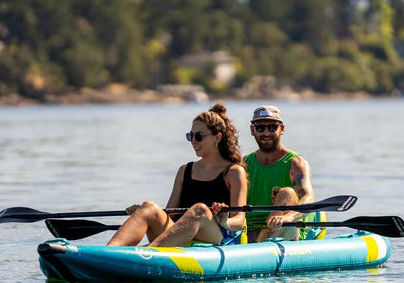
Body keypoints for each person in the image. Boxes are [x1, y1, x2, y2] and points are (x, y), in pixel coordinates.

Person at [106, 103, 248, 247]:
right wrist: (141, 212)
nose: (193, 141)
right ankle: (108, 253)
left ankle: (149, 254)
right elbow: (170, 216)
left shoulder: (234, 172)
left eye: (198, 136)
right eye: (190, 136)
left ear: (217, 138)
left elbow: (239, 221)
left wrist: (224, 220)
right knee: (148, 207)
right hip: (183, 235)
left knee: (200, 210)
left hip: (220, 238)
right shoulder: (185, 170)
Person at [244, 105, 324, 242]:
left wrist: (289, 217)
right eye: (260, 128)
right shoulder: (243, 164)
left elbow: (308, 197)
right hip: (251, 229)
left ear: (282, 129)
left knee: (287, 193)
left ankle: (262, 245)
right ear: (252, 130)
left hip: (287, 226)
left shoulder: (296, 164)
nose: (266, 133)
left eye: (272, 127)